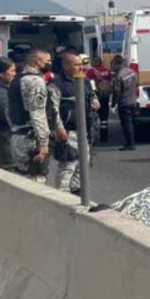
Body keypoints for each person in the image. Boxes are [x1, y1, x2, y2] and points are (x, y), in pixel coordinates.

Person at [48, 51, 100, 195]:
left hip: (85, 131)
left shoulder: (86, 81)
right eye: (76, 65)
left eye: (81, 64)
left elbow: (93, 98)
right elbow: (53, 109)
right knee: (68, 164)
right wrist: (59, 129)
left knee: (83, 164)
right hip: (69, 131)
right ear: (66, 66)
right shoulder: (57, 84)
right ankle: (62, 195)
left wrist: (95, 102)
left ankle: (77, 192)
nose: (81, 67)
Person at [8, 48, 53, 182]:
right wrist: (44, 142)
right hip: (31, 139)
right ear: (38, 61)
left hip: (17, 135)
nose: (50, 63)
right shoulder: (35, 81)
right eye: (48, 61)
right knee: (37, 179)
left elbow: (9, 109)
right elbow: (37, 113)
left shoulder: (16, 79)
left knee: (21, 178)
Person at [110, 55, 138, 151]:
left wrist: (113, 104)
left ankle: (130, 144)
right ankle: (132, 142)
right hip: (133, 100)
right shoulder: (131, 72)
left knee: (126, 124)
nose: (112, 66)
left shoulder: (119, 76)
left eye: (113, 64)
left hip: (124, 103)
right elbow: (136, 83)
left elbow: (116, 91)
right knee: (131, 122)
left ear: (117, 64)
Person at [86, 57, 112, 142]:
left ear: (94, 62)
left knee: (92, 117)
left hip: (96, 95)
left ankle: (93, 137)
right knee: (104, 119)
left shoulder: (91, 71)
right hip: (105, 96)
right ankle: (104, 137)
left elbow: (87, 82)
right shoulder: (107, 71)